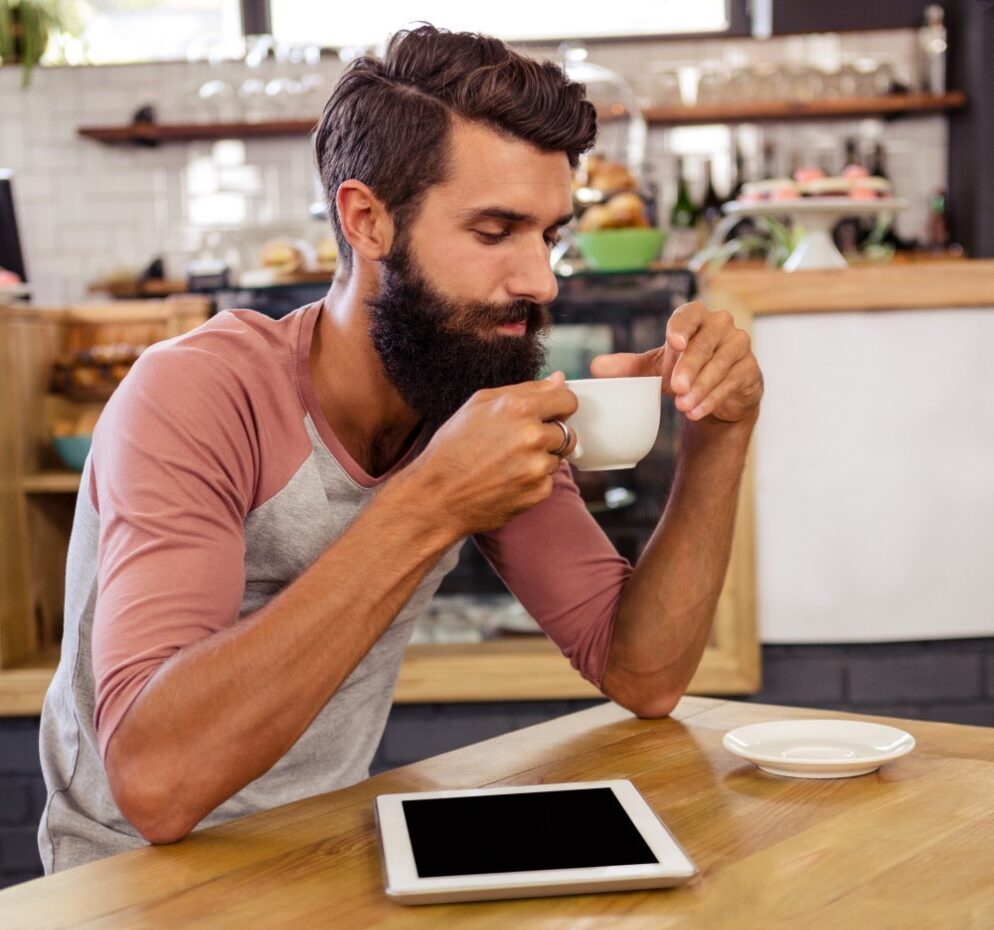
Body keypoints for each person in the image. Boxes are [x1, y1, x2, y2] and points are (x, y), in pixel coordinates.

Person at [38, 25, 763, 872]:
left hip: (323, 860)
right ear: (367, 219)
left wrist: (715, 432)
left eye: (550, 236)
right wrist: (434, 501)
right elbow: (155, 784)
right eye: (495, 232)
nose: (541, 280)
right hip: (128, 893)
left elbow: (643, 673)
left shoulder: (468, 388)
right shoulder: (198, 394)